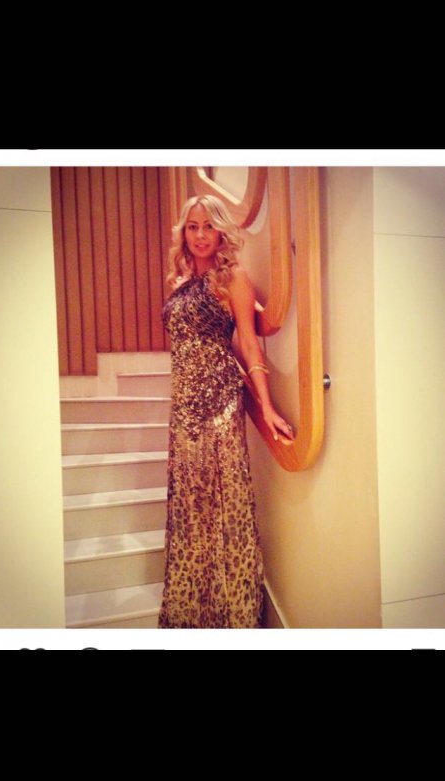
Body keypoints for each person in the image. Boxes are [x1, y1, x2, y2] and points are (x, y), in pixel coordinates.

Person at [157, 194, 294, 628]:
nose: (201, 235)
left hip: (218, 401)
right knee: (190, 506)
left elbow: (249, 344)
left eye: (209, 226)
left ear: (221, 232)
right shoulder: (180, 282)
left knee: (225, 502)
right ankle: (193, 607)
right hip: (184, 406)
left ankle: (231, 612)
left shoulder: (233, 278)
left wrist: (266, 406)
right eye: (193, 226)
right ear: (184, 232)